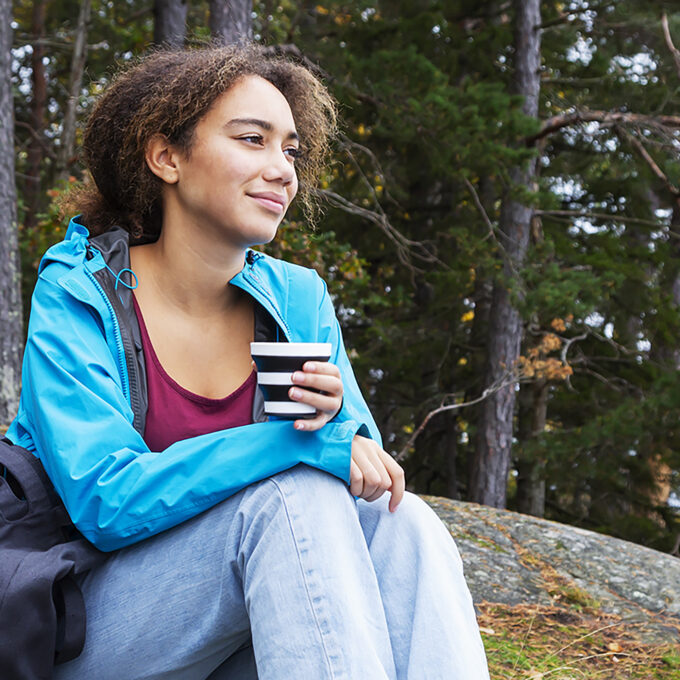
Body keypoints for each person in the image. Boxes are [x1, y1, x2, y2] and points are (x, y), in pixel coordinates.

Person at [8, 45, 490, 679]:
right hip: (90, 626)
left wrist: (336, 421)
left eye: (290, 149)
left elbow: (365, 479)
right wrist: (290, 445)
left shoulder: (297, 298)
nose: (283, 170)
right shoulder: (80, 289)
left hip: (254, 627)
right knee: (292, 497)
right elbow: (106, 501)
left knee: (406, 526)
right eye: (253, 139)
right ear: (166, 157)